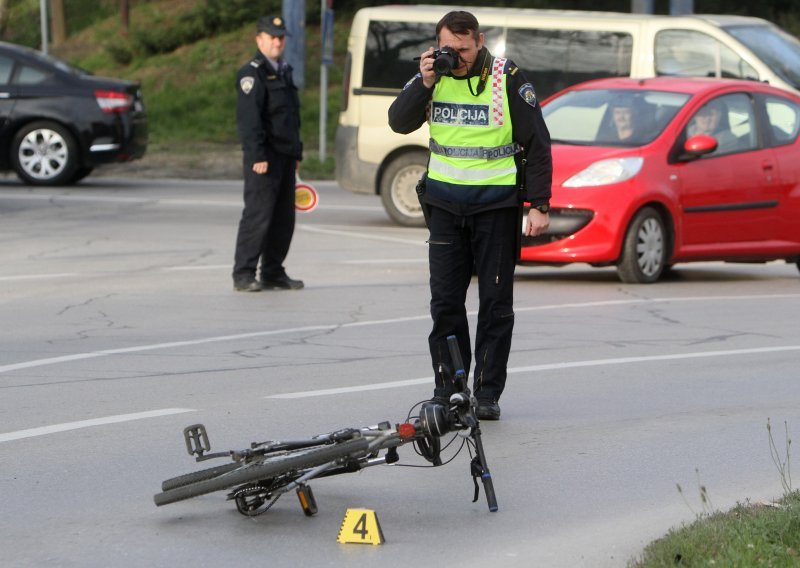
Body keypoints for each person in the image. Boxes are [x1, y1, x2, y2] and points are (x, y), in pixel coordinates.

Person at [388, 10, 552, 420]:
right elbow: (398, 122)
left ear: (479, 41)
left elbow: (537, 142)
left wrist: (540, 205)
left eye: (463, 49)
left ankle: (488, 392)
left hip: (495, 208)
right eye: (449, 49)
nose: (456, 57)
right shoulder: (433, 75)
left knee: (496, 304)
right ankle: (449, 387)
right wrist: (424, 82)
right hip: (445, 207)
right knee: (444, 303)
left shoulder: (507, 77)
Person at [232, 15, 304, 292]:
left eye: (281, 37)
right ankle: (244, 273)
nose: (277, 41)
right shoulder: (252, 73)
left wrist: (296, 153)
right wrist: (256, 156)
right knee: (258, 216)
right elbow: (249, 121)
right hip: (265, 157)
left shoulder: (283, 70)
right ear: (259, 39)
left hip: (285, 155)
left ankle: (273, 272)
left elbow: (290, 116)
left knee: (283, 218)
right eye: (272, 37)